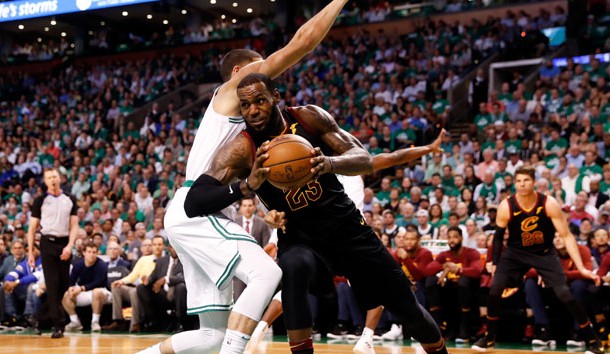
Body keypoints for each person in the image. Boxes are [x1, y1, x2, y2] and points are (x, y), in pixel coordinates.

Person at [137, 1, 351, 353]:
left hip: (203, 212)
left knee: (211, 336)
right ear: (239, 72)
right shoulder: (228, 95)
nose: (266, 76)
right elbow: (301, 43)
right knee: (268, 274)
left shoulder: (248, 127)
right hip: (198, 210)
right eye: (258, 66)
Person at [188, 73, 448, 354]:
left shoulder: (309, 118)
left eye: (260, 101)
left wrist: (330, 163)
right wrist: (246, 185)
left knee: (407, 307)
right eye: (246, 105)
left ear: (275, 97)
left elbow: (363, 158)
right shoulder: (242, 148)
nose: (253, 110)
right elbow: (194, 202)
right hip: (300, 237)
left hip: (346, 228)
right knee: (293, 267)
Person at [472, 166, 603, 354]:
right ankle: (490, 336)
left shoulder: (548, 203)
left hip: (544, 253)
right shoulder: (506, 205)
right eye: (518, 181)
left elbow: (566, 236)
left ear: (533, 182)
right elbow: (499, 236)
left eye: (525, 180)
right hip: (515, 253)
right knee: (495, 290)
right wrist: (494, 261)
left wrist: (581, 267)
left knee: (564, 293)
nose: (522, 184)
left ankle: (592, 340)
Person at [27, 167, 79, 339]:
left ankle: (39, 318)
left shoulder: (70, 199)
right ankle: (58, 325)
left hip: (64, 243)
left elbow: (74, 225)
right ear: (45, 180)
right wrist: (30, 253)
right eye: (49, 177)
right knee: (52, 284)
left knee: (64, 285)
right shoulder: (40, 200)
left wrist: (70, 246)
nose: (53, 180)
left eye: (55, 176)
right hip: (47, 243)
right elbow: (32, 228)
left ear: (60, 178)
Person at [62, 242, 111, 333]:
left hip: (102, 292)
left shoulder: (102, 265)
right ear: (84, 253)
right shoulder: (77, 265)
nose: (92, 255)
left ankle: (95, 322)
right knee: (66, 295)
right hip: (85, 292)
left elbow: (98, 282)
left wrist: (81, 288)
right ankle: (75, 322)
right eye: (89, 252)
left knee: (97, 292)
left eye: (94, 252)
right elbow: (71, 281)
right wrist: (71, 289)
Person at [137, 244, 187, 332]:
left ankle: (182, 323)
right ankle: (153, 322)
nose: (175, 250)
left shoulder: (186, 261)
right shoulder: (161, 261)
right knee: (141, 288)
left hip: (177, 294)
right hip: (162, 293)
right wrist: (147, 280)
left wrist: (166, 279)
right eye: (172, 247)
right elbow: (153, 276)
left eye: (177, 247)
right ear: (168, 248)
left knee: (181, 287)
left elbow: (185, 277)